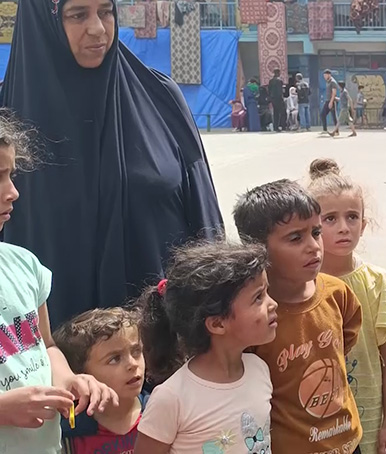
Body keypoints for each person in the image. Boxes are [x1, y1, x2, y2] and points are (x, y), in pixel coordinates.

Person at [0, 0, 223, 325]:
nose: (98, 29)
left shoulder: (159, 99)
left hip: (159, 342)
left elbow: (204, 223)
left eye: (106, 12)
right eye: (77, 15)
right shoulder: (7, 122)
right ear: (43, 22)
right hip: (48, 348)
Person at [0, 111, 119, 453]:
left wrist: (69, 380)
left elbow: (47, 345)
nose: (13, 192)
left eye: (11, 175)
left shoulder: (24, 266)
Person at [233, 180, 364, 454]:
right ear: (257, 248)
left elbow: (345, 343)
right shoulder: (254, 319)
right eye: (295, 238)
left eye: (316, 232)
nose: (314, 246)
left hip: (348, 443)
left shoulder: (337, 294)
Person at [133, 242, 277, 454]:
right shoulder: (172, 398)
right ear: (217, 324)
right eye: (258, 297)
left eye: (267, 292)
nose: (273, 304)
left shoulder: (259, 369)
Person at [307, 158, 386, 454]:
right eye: (330, 219)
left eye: (352, 217)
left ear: (364, 224)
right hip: (315, 424)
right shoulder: (300, 286)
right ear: (312, 227)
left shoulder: (378, 283)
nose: (344, 228)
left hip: (367, 418)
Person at [55, 308, 148, 454]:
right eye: (114, 359)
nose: (132, 364)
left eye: (136, 351)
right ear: (82, 374)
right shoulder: (67, 431)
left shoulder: (158, 411)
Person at [321, 70, 340, 135]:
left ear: (329, 75)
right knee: (322, 114)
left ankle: (337, 131)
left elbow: (334, 93)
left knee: (334, 116)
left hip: (332, 101)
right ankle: (325, 129)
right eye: (324, 76)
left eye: (325, 75)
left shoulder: (332, 82)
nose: (324, 77)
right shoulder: (327, 82)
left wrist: (331, 102)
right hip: (327, 100)